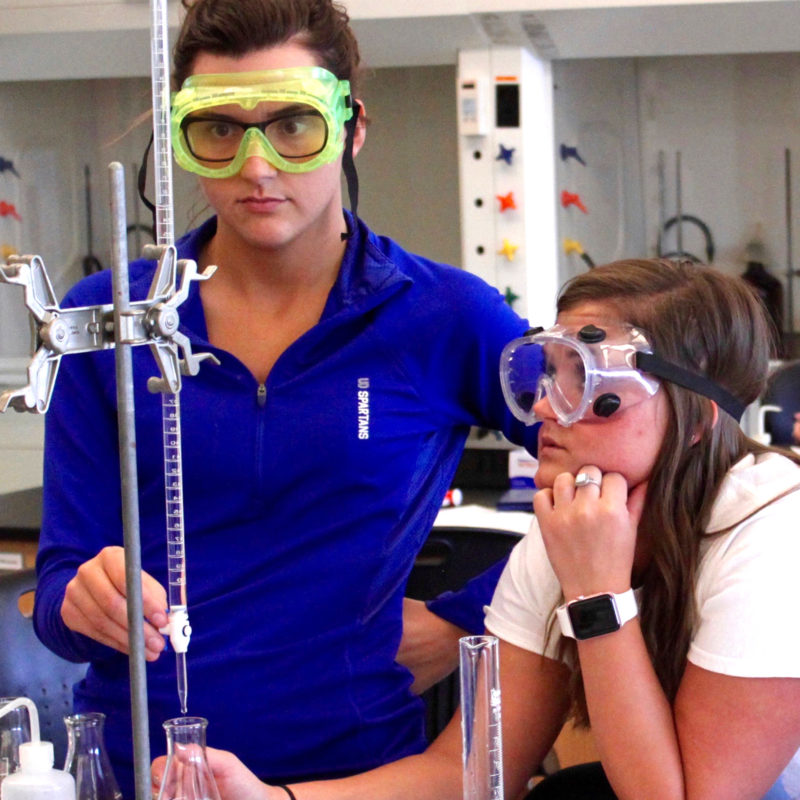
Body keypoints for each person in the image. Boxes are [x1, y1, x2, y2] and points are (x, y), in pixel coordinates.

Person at [32, 1, 537, 796]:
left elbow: (634, 468)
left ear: (352, 126)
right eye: (219, 130)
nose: (256, 167)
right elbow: (57, 593)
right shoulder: (112, 322)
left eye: (294, 126)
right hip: (149, 772)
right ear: (181, 144)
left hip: (362, 772)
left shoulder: (441, 316)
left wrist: (468, 615)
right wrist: (82, 600)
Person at [165, 259, 800, 800]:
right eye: (549, 372)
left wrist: (599, 595)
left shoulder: (771, 531)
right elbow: (467, 772)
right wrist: (275, 796)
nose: (547, 406)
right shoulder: (574, 527)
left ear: (698, 421)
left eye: (594, 385)